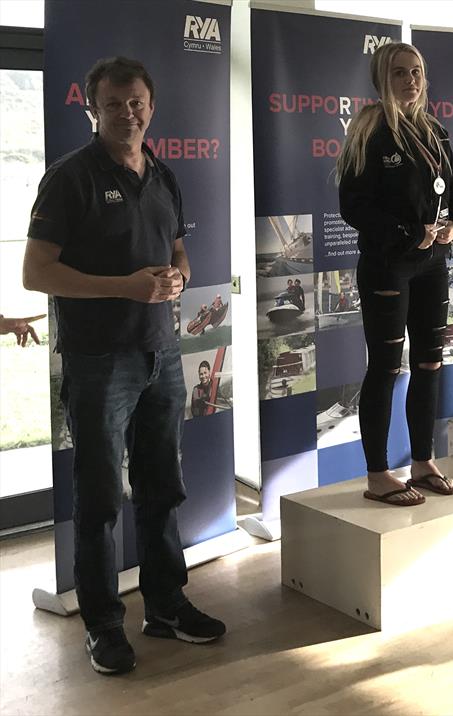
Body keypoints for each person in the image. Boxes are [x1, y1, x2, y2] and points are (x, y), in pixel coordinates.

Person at [22, 57, 225, 676]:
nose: (128, 113)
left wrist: (176, 278)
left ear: (151, 105)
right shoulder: (70, 178)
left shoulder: (163, 174)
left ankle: (164, 605)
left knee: (163, 487)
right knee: (102, 498)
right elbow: (36, 274)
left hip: (160, 353)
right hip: (98, 361)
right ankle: (104, 624)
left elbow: (182, 253)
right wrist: (126, 288)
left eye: (137, 102)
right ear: (93, 109)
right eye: (114, 104)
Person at [337, 42, 453, 506]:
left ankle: (421, 460)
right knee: (386, 367)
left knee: (429, 362)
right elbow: (352, 205)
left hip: (434, 263)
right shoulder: (370, 130)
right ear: (382, 79)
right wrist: (405, 233)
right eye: (399, 73)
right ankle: (377, 475)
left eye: (416, 72)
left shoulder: (436, 132)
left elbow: (452, 191)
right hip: (388, 264)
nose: (410, 81)